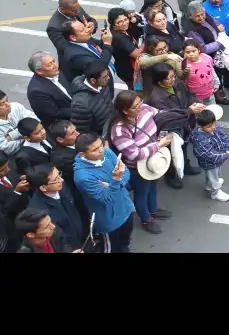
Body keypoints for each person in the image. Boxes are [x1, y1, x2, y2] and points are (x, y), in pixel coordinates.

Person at [108, 91, 174, 234]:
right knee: (141, 194)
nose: (141, 107)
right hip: (137, 168)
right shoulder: (119, 129)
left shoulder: (145, 109)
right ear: (125, 111)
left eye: (140, 102)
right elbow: (134, 154)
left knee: (152, 187)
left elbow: (161, 114)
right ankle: (146, 219)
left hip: (153, 161)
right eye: (136, 106)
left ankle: (153, 209)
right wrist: (159, 145)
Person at [72, 131, 134, 253]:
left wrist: (115, 184)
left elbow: (125, 171)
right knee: (111, 249)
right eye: (95, 149)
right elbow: (106, 198)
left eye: (100, 145)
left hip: (125, 207)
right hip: (108, 219)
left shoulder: (107, 152)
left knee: (125, 243)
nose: (101, 150)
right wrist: (116, 180)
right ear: (82, 154)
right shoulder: (83, 176)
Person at [184, 1, 229, 103]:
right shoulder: (192, 30)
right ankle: (219, 93)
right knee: (216, 74)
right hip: (210, 55)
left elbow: (215, 22)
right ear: (190, 17)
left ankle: (228, 84)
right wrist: (220, 43)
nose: (201, 17)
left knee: (226, 67)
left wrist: (218, 27)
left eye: (202, 14)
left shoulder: (207, 16)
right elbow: (203, 48)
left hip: (219, 50)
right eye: (197, 16)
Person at [25, 164, 85, 251]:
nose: (61, 180)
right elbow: (54, 238)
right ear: (43, 187)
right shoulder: (39, 210)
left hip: (80, 235)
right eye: (56, 179)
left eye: (59, 175)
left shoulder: (61, 187)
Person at [58, 20, 115, 88]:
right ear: (73, 37)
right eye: (82, 30)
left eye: (85, 27)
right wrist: (107, 43)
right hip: (99, 86)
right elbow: (100, 66)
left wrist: (104, 38)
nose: (88, 30)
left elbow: (101, 45)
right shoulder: (75, 56)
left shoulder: (84, 39)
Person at [191, 109, 229, 202]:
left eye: (214, 123)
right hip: (209, 162)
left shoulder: (216, 128)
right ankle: (215, 192)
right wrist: (225, 155)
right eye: (209, 126)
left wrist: (227, 148)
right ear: (201, 126)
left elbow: (223, 137)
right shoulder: (201, 139)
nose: (213, 127)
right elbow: (210, 155)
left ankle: (209, 185)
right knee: (212, 174)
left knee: (215, 174)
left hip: (218, 159)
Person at [26, 52, 72, 128]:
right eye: (49, 65)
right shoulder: (36, 91)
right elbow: (54, 114)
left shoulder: (55, 72)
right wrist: (79, 110)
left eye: (53, 61)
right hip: (63, 124)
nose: (55, 66)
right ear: (39, 71)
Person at [69, 61, 114, 136]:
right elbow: (82, 132)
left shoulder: (102, 84)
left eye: (108, 75)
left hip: (111, 127)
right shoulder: (81, 105)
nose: (108, 78)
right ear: (93, 80)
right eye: (105, 77)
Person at [14, 209, 79, 253]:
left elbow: (64, 245)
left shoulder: (53, 231)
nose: (53, 226)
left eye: (50, 222)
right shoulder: (26, 251)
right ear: (31, 235)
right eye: (46, 227)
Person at [0, 91, 37, 157]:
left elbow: (35, 120)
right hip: (13, 157)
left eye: (7, 100)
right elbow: (5, 148)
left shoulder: (16, 107)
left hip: (35, 141)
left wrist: (12, 136)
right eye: (2, 104)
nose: (8, 104)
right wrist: (28, 137)